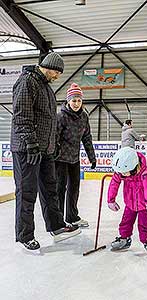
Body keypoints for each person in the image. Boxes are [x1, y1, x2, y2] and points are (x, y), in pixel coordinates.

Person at [11, 52, 81, 252]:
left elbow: (49, 121)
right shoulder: (27, 83)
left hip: (45, 150)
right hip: (27, 149)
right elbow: (22, 116)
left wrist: (53, 144)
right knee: (27, 192)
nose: (58, 77)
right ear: (49, 67)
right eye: (57, 72)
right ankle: (25, 235)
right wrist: (31, 143)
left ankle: (56, 226)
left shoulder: (47, 88)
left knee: (51, 189)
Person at [55, 83, 96, 228]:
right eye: (74, 100)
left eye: (79, 100)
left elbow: (87, 137)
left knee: (74, 188)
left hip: (74, 159)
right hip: (60, 159)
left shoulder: (84, 116)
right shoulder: (61, 116)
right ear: (68, 101)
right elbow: (54, 137)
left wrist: (92, 157)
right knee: (60, 188)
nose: (77, 103)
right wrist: (54, 154)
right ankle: (58, 220)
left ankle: (72, 216)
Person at [107, 146, 147, 255]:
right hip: (129, 203)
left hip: (144, 206)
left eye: (124, 172)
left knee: (144, 225)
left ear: (134, 167)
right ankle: (124, 238)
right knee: (125, 222)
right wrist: (111, 200)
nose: (122, 174)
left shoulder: (145, 174)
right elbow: (114, 183)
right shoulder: (122, 172)